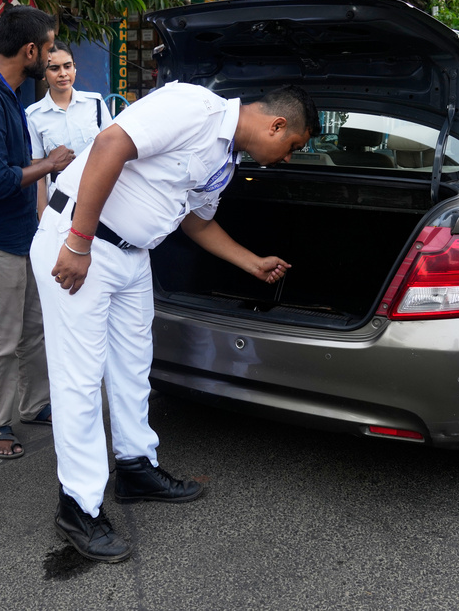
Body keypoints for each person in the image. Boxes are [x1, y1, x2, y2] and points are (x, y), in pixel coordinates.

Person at [29, 82, 320, 562]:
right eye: (292, 147)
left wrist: (253, 263)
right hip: (82, 242)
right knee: (79, 378)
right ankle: (78, 505)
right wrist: (78, 242)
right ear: (276, 124)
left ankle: (135, 465)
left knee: (133, 365)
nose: (287, 158)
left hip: (131, 255)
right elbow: (110, 144)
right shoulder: (195, 107)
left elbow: (197, 222)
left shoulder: (226, 160)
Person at [0, 5, 75, 459]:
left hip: (22, 233)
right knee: (2, 339)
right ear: (29, 50)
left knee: (33, 329)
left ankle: (35, 404)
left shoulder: (8, 94)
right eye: (48, 49)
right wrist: (49, 163)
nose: (52, 57)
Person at [26, 40, 113, 216]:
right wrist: (43, 217)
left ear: (75, 68)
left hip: (99, 192)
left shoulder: (95, 103)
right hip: (60, 197)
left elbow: (112, 151)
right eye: (54, 68)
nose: (63, 74)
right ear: (44, 73)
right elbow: (38, 173)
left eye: (67, 66)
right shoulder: (34, 115)